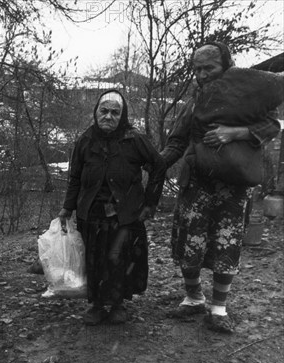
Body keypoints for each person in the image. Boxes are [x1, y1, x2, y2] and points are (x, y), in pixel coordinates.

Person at [162, 42, 281, 333]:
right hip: (197, 182)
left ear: (227, 67)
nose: (202, 75)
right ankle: (193, 297)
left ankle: (218, 308)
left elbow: (273, 126)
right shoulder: (196, 101)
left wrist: (235, 132)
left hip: (234, 184)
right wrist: (154, 163)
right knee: (190, 242)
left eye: (209, 68)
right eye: (197, 69)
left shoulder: (246, 98)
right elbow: (177, 140)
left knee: (226, 243)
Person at [58, 90, 166, 326]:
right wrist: (67, 207)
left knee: (120, 259)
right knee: (94, 259)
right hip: (92, 213)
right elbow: (75, 176)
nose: (108, 116)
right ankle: (96, 304)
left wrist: (150, 202)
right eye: (103, 111)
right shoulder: (86, 140)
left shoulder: (134, 140)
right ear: (96, 112)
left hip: (125, 214)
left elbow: (158, 166)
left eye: (115, 112)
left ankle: (117, 304)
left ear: (122, 115)